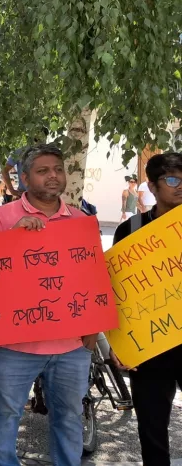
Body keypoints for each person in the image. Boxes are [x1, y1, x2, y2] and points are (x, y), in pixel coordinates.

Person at [0, 143, 97, 466]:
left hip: (71, 346)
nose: (53, 177)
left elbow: (91, 279)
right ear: (25, 177)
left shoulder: (80, 220)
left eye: (58, 170)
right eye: (43, 171)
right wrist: (13, 239)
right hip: (16, 346)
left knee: (70, 417)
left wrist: (94, 327)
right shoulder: (0, 219)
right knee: (4, 415)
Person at [112, 152, 182, 466]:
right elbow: (118, 292)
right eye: (172, 180)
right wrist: (120, 345)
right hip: (149, 350)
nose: (180, 186)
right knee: (152, 433)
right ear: (152, 187)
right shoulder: (130, 231)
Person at [1, 129, 49, 200]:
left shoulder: (49, 154)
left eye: (43, 135)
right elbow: (4, 171)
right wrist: (12, 191)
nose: (42, 138)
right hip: (26, 195)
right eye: (40, 135)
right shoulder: (20, 152)